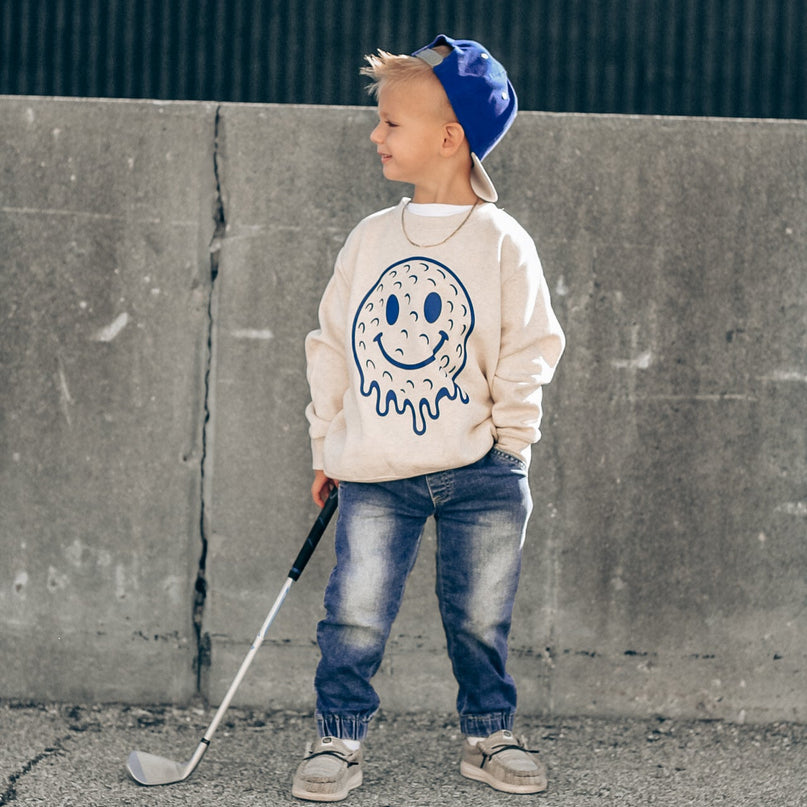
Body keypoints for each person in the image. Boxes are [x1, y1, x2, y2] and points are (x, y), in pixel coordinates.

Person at [293, 34, 565, 802]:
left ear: (449, 138)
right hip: (376, 469)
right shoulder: (370, 238)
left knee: (480, 616)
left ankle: (488, 734)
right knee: (353, 614)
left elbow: (529, 347)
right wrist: (327, 445)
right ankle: (337, 737)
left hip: (481, 470)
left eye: (390, 123)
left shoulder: (502, 242)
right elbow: (331, 344)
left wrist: (511, 448)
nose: (374, 135)